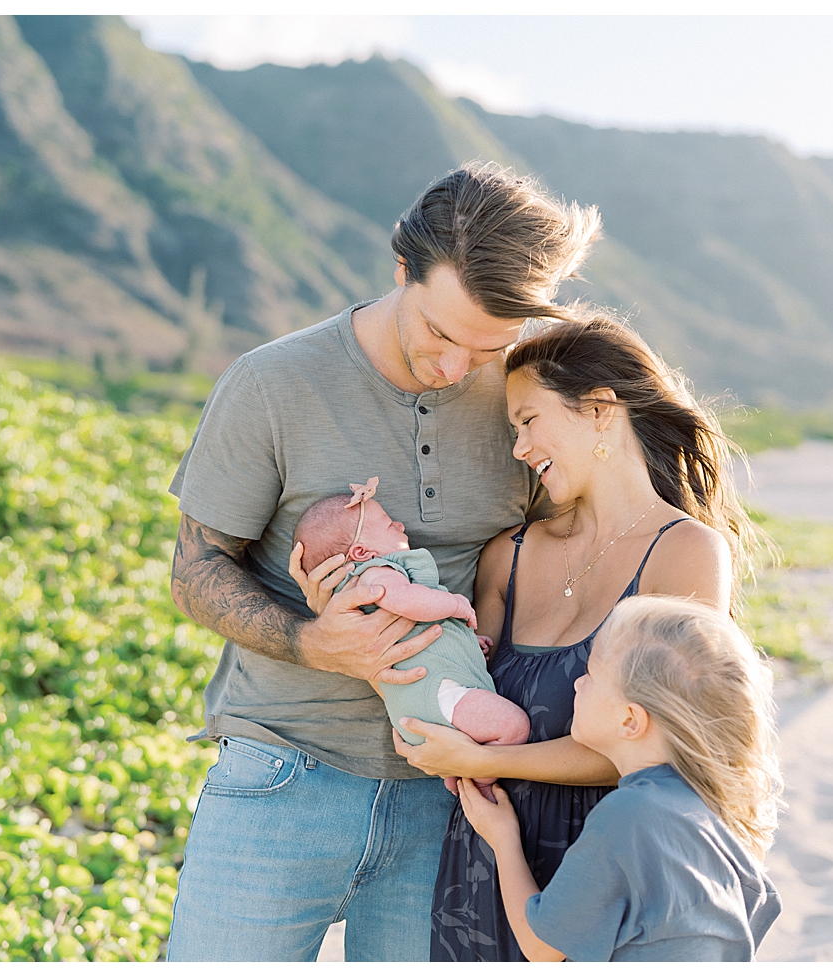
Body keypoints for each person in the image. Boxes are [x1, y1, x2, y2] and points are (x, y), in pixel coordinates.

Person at [163, 162, 600, 962]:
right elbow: (195, 571)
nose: (454, 366)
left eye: (487, 345)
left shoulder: (521, 401)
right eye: (439, 333)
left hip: (453, 801)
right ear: (401, 269)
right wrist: (310, 641)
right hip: (280, 776)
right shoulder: (271, 383)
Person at [391, 314, 770, 961]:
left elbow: (659, 736)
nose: (519, 446)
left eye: (529, 420)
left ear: (599, 411)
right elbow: (455, 681)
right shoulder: (506, 556)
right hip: (481, 862)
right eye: (512, 429)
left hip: (615, 871)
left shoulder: (685, 553)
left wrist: (487, 762)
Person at [457, 595, 783, 961]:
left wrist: (502, 837)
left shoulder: (628, 814)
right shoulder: (710, 812)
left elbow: (541, 946)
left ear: (631, 720)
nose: (577, 685)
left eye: (591, 675)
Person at [291, 476, 530, 799]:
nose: (400, 524)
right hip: (436, 696)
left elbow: (423, 636)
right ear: (362, 552)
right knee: (513, 726)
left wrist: (466, 641)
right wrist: (456, 604)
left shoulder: (377, 583)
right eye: (390, 524)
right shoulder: (377, 574)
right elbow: (410, 603)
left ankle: (463, 776)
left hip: (432, 696)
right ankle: (481, 784)